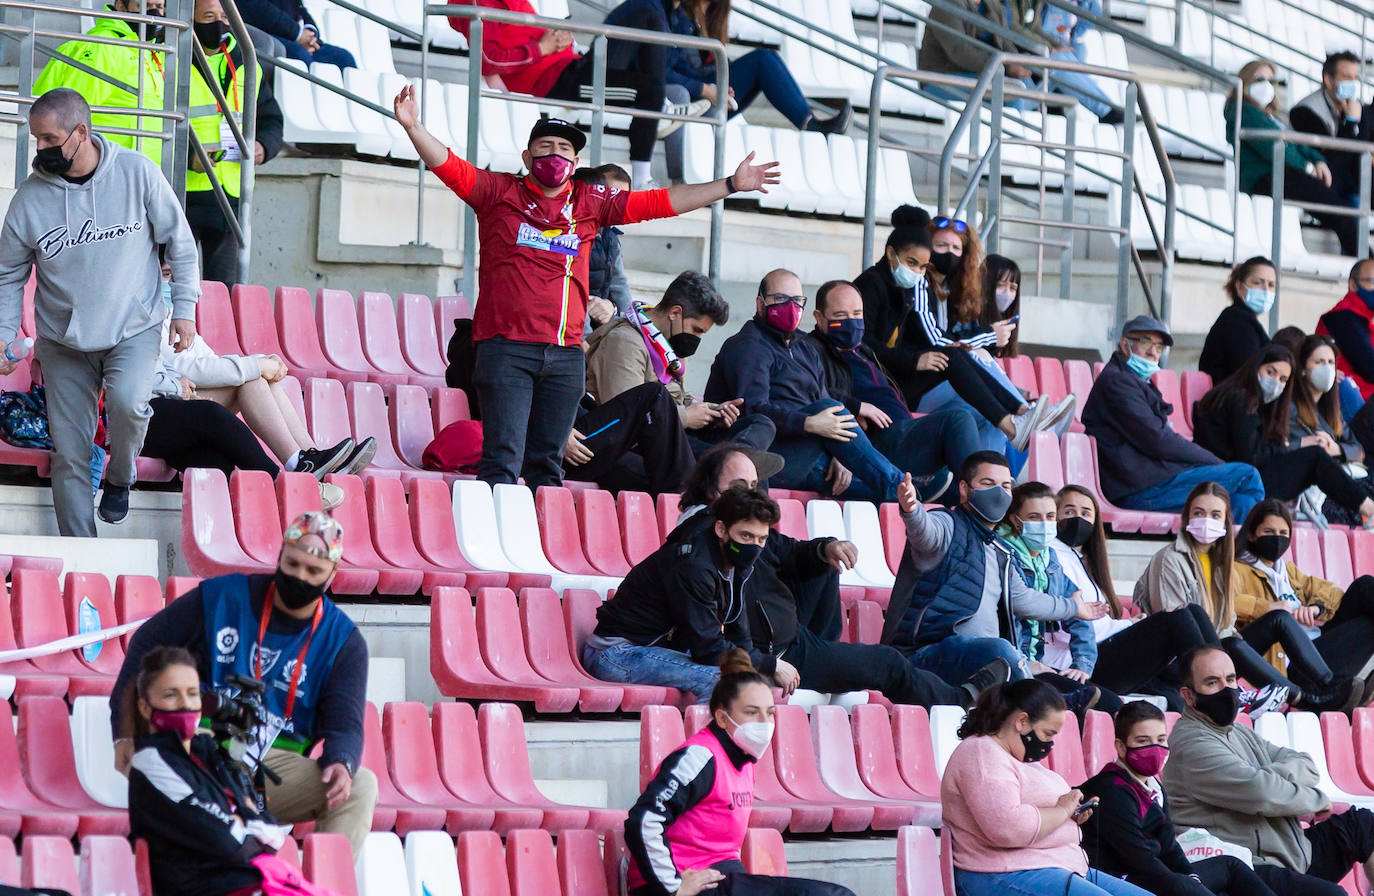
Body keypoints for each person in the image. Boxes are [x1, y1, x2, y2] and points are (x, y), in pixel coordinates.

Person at [395, 87, 777, 489]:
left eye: (564, 149)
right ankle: (489, 547)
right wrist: (414, 126)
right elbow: (449, 165)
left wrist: (730, 184)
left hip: (565, 359)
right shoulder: (497, 192)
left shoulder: (590, 202)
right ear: (527, 158)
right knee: (503, 461)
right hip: (506, 351)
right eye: (545, 147)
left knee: (547, 468)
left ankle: (536, 547)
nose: (554, 156)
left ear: (575, 163)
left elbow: (660, 201)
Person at [111, 511, 378, 855]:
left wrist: (342, 760)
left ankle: (320, 888)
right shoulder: (222, 597)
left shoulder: (344, 642)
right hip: (200, 740)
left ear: (332, 575)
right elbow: (146, 647)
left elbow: (347, 723)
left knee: (360, 786)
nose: (299, 576)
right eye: (293, 563)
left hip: (273, 764)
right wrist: (124, 729)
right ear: (280, 554)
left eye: (313, 571)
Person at [0, 88, 200, 535]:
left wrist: (184, 308)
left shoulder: (136, 173)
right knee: (69, 451)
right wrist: (2, 332)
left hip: (134, 327)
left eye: (51, 140)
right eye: (37, 140)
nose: (41, 150)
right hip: (63, 342)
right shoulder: (30, 199)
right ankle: (82, 552)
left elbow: (181, 245)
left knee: (130, 406)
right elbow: (7, 274)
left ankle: (120, 476)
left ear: (81, 133)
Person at [670, 453, 1011, 709]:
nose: (748, 496)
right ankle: (960, 700)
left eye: (753, 487)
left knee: (822, 563)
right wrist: (769, 664)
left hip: (794, 641)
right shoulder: (699, 546)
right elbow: (712, 638)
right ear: (711, 492)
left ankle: (830, 657)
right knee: (890, 664)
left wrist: (826, 547)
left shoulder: (748, 527)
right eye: (737, 488)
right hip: (770, 655)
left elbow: (790, 551)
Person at [882, 450, 1109, 703]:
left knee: (1106, 701)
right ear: (965, 490)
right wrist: (912, 511)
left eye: (1006, 486)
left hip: (985, 665)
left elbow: (1025, 600)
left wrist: (1072, 607)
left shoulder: (1001, 550)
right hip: (924, 655)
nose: (999, 493)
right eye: (988, 484)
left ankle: (1052, 703)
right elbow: (925, 533)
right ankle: (1054, 705)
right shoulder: (947, 523)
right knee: (1000, 650)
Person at [625, 649, 855, 896]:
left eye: (769, 713)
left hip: (722, 877)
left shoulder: (744, 761)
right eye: (751, 712)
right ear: (723, 718)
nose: (764, 723)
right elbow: (645, 819)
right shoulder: (699, 757)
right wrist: (672, 887)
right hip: (686, 882)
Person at [1165, 645, 1374, 895]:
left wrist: (1265, 777)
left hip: (1293, 855)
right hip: (1247, 866)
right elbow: (1262, 794)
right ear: (1189, 696)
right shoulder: (1192, 743)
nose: (1227, 690)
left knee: (1362, 824)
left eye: (1230, 680)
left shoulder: (1238, 730)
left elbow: (1305, 763)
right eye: (1212, 682)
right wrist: (1314, 800)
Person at [852, 209, 1056, 460]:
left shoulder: (905, 288)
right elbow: (864, 345)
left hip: (900, 377)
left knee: (974, 392)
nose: (917, 272)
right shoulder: (872, 285)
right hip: (886, 384)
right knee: (958, 357)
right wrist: (915, 360)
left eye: (922, 267)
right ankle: (1016, 419)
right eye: (912, 263)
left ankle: (1006, 446)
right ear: (892, 254)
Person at [1134, 481, 1353, 713]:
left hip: (1216, 653)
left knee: (1277, 619)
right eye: (1199, 513)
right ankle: (1303, 699)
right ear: (1187, 517)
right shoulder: (1170, 559)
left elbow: (1226, 623)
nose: (1206, 520)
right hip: (1178, 662)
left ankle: (1329, 685)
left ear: (1225, 522)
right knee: (1233, 644)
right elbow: (1175, 626)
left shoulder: (1222, 563)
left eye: (1215, 514)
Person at [702, 269, 914, 502]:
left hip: (806, 452)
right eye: (780, 299)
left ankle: (913, 496)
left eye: (797, 301)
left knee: (861, 486)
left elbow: (821, 401)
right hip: (764, 456)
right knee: (832, 410)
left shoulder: (804, 347)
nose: (791, 307)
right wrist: (810, 423)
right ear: (760, 304)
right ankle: (900, 488)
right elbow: (754, 410)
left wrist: (840, 452)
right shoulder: (748, 347)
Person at [126, 646, 315, 896]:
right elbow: (226, 840)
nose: (185, 704)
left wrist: (244, 822)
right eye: (171, 695)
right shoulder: (150, 762)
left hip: (248, 885)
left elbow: (273, 837)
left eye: (192, 694)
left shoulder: (210, 755)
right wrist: (244, 824)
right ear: (145, 708)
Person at [941, 679, 1153, 896]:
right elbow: (1008, 828)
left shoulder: (1022, 758)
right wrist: (1062, 811)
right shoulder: (982, 752)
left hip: (1056, 866)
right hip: (1001, 871)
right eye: (1048, 733)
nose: (1049, 745)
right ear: (1022, 721)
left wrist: (1071, 815)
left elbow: (1041, 813)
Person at [153, 277, 375, 477]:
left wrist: (260, 362)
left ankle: (311, 456)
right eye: (164, 274)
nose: (171, 283)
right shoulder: (146, 315)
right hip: (169, 401)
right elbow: (186, 368)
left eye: (171, 275)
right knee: (253, 378)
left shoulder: (174, 313)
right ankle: (301, 462)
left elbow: (207, 359)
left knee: (259, 378)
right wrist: (256, 365)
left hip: (188, 395)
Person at [447, 0, 671, 189]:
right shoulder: (479, 2)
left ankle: (658, 105)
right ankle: (642, 177)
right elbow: (489, 60)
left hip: (572, 66)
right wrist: (542, 48)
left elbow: (533, 38)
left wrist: (561, 38)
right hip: (560, 83)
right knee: (650, 89)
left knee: (646, 15)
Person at [1053, 484, 1232, 711]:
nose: (1078, 518)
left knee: (1193, 612)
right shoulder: (1052, 556)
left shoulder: (1077, 557)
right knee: (1176, 620)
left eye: (1086, 513)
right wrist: (1127, 626)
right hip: (1082, 664)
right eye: (1069, 511)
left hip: (1101, 651)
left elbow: (1098, 622)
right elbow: (1075, 626)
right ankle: (1218, 689)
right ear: (1054, 515)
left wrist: (1127, 624)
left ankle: (1225, 685)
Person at [804, 278, 982, 501]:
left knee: (952, 480)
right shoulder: (809, 350)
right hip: (874, 446)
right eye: (841, 316)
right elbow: (808, 394)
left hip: (902, 434)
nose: (852, 322)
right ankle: (981, 498)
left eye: (857, 314)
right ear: (819, 318)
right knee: (957, 420)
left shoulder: (863, 350)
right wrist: (843, 450)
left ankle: (982, 500)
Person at [1079, 700, 1279, 896]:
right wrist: (1185, 884)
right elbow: (1138, 859)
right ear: (1121, 747)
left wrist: (1191, 875)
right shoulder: (1110, 789)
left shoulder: (1154, 787)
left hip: (1158, 875)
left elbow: (1169, 845)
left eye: (1160, 739)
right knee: (1183, 885)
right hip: (1121, 880)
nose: (1155, 748)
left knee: (1230, 865)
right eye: (1143, 741)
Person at [1081, 314, 1265, 518]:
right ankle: (1254, 544)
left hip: (1153, 483)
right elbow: (1158, 440)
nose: (1153, 352)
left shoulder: (1134, 381)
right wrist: (1215, 462)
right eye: (1145, 342)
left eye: (1159, 347)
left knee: (1241, 503)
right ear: (1125, 344)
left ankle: (1231, 549)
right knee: (1247, 475)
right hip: (1140, 488)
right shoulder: (1118, 383)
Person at [914, 217, 1075, 448]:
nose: (949, 253)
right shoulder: (920, 284)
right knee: (978, 355)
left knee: (992, 414)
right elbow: (941, 342)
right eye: (941, 246)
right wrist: (990, 335)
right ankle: (1023, 411)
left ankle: (997, 475)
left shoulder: (948, 292)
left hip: (945, 382)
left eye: (956, 248)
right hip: (919, 385)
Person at [584, 269, 775, 455]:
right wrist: (685, 417)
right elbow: (626, 417)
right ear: (675, 313)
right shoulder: (624, 341)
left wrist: (711, 411)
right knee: (723, 460)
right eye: (697, 330)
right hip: (644, 444)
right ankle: (733, 463)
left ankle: (736, 461)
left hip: (675, 428)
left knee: (760, 423)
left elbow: (678, 397)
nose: (697, 339)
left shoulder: (670, 343)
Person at [607, 0, 852, 136]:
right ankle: (811, 125)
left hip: (700, 91)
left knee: (765, 60)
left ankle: (810, 123)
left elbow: (685, 66)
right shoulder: (668, 13)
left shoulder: (709, 18)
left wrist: (717, 86)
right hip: (681, 94)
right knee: (762, 60)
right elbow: (660, 68)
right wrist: (705, 88)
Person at [1193, 343, 1374, 524]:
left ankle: (1366, 510)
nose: (1275, 382)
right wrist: (1288, 446)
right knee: (1315, 458)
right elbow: (1251, 456)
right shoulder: (1242, 399)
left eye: (1282, 379)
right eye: (1270, 372)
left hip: (1239, 477)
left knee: (1315, 459)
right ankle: (1368, 509)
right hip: (1232, 480)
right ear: (1256, 367)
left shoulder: (1246, 398)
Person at [184, 0, 284, 285]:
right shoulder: (170, 59)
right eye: (208, 16)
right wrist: (191, 156)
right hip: (183, 192)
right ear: (190, 18)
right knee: (178, 287)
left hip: (231, 196)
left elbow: (272, 120)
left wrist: (263, 146)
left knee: (223, 294)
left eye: (225, 16)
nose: (218, 23)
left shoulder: (247, 63)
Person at [1001, 481, 1122, 714]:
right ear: (1016, 520)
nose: (1045, 524)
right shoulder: (1003, 554)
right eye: (1035, 517)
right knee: (1107, 706)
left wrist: (1082, 664)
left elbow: (1080, 613)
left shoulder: (1050, 559)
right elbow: (1023, 605)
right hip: (1014, 665)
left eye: (1050, 516)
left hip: (1040, 664)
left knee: (1109, 705)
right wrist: (1025, 661)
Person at [1235, 498, 1374, 697]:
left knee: (1364, 586)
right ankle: (1336, 693)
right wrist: (1270, 608)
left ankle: (1344, 693)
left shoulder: (1288, 571)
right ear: (1251, 534)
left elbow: (1333, 594)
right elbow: (1228, 603)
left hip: (1319, 647)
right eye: (1268, 532)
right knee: (1368, 625)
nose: (1276, 539)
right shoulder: (1237, 569)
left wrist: (1315, 608)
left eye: (1283, 533)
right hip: (1296, 666)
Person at [1225, 58, 1361, 257]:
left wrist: (1317, 160)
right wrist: (1308, 167)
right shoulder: (1241, 109)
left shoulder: (1267, 115)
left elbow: (1294, 143)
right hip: (1265, 178)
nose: (1267, 86)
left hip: (1282, 174)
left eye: (1271, 81)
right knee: (1339, 211)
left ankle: (1366, 263)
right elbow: (1274, 146)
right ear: (1245, 82)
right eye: (1260, 79)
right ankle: (1367, 264)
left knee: (1340, 210)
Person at [32, 0, 174, 165]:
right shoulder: (104, 47)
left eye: (159, 7)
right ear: (121, 6)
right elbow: (70, 115)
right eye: (144, 6)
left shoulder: (147, 49)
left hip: (137, 167)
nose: (153, 14)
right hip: (107, 167)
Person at [1289, 333, 1370, 525]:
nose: (1327, 368)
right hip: (1316, 491)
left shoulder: (1331, 411)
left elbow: (1358, 450)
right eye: (1319, 362)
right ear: (1302, 368)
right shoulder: (1290, 408)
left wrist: (1337, 449)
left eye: (1331, 362)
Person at [917, 0, 1036, 110]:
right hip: (944, 78)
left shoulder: (991, 5)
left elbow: (1005, 43)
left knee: (1027, 86)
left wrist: (1017, 61)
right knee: (1011, 95)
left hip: (984, 75)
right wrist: (1006, 67)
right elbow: (959, 51)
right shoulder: (947, 4)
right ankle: (1008, 132)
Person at [1291, 52, 1373, 206]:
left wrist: (1355, 121)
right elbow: (1332, 162)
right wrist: (1350, 122)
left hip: (1348, 182)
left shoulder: (1351, 105)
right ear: (1328, 80)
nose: (1353, 83)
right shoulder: (1304, 112)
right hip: (1319, 182)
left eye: (1356, 78)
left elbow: (1360, 153)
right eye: (1347, 77)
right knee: (1354, 203)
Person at [1038, 0, 1124, 124]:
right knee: (1063, 59)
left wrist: (1070, 39)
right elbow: (1040, 30)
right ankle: (1106, 110)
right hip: (1043, 50)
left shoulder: (1087, 3)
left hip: (1061, 49)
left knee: (1079, 49)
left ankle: (1106, 108)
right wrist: (1057, 46)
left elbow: (1090, 20)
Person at [1198, 256, 1276, 384]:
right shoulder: (1237, 322)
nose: (1266, 290)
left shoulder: (1243, 319)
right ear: (1240, 287)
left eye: (1271, 285)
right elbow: (1248, 375)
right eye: (1258, 282)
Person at [574, 164, 633, 319]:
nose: (614, 204)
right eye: (609, 194)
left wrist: (621, 317)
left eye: (621, 199)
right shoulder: (568, 234)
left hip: (599, 319)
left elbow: (619, 286)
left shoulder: (610, 237)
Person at [236, 0, 356, 69]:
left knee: (343, 58)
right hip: (267, 34)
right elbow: (258, 8)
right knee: (300, 56)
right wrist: (297, 34)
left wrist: (311, 34)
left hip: (297, 37)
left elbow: (299, 8)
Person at [1317, 259, 1374, 402]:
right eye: (1373, 281)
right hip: (1351, 405)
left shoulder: (1361, 319)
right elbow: (1370, 367)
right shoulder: (1343, 316)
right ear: (1353, 284)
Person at [982, 252, 1021, 358]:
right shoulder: (967, 316)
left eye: (1013, 288)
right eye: (1000, 285)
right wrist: (990, 335)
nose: (1007, 293)